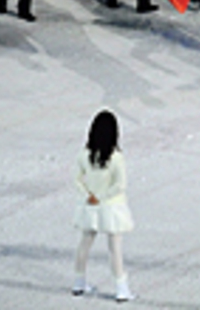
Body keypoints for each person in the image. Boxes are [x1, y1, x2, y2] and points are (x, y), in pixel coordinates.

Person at [72, 110, 135, 302]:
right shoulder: (115, 157)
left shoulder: (85, 154)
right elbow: (120, 185)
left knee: (84, 243)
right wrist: (101, 197)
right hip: (111, 208)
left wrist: (89, 196)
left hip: (90, 206)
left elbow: (76, 179)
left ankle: (78, 283)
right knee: (115, 248)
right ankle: (121, 289)